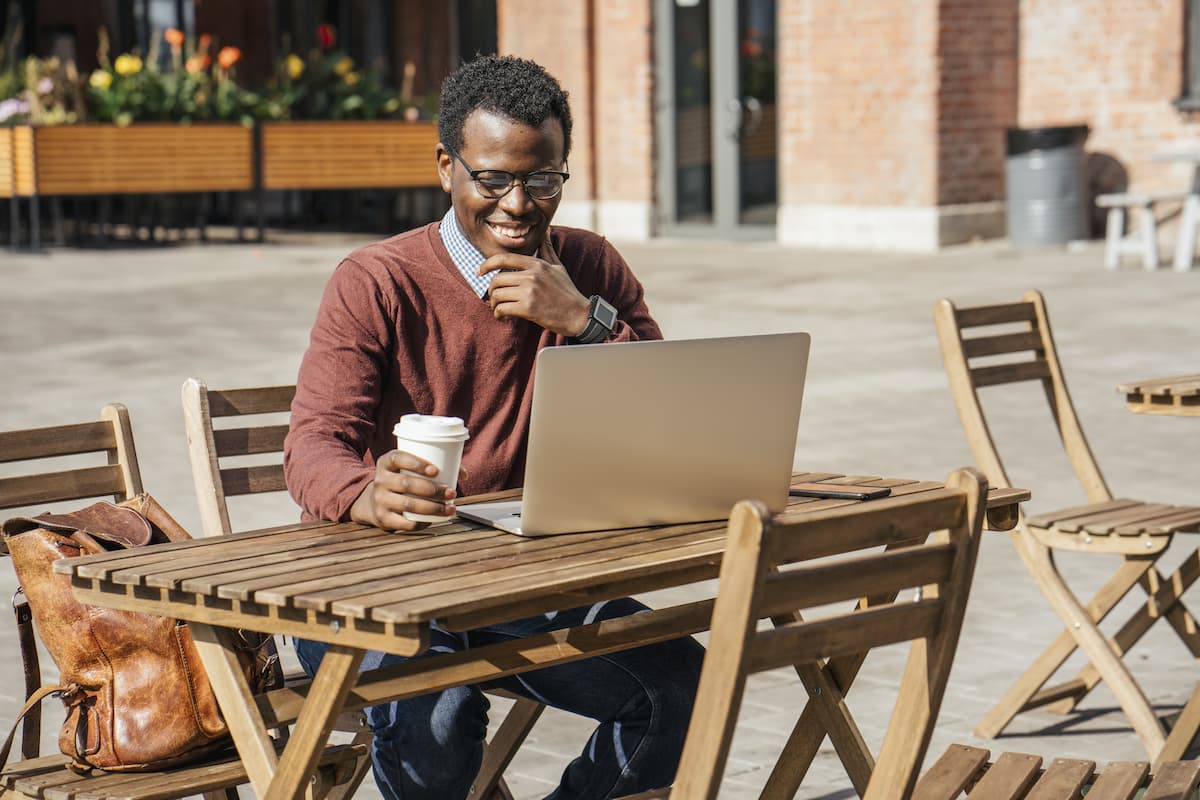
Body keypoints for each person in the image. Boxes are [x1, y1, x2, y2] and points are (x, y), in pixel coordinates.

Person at [284, 54, 704, 800]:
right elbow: (313, 444)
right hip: (370, 590)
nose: (518, 204)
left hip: (518, 585)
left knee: (683, 688)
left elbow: (672, 414)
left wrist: (582, 319)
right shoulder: (376, 281)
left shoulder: (588, 266)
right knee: (441, 715)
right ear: (447, 167)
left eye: (542, 180)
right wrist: (362, 492)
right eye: (492, 179)